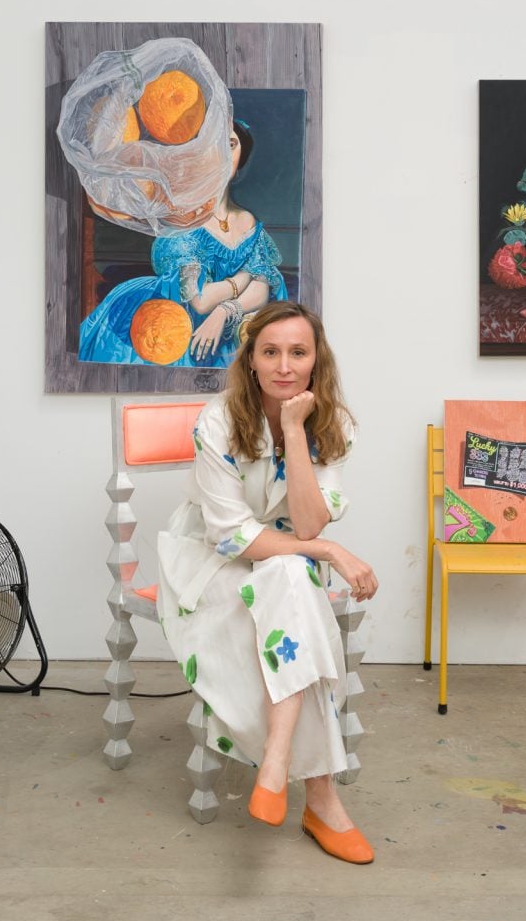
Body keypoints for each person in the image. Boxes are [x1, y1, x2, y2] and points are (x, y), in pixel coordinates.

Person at [157, 300, 379, 864]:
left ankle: (277, 764)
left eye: (298, 352)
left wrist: (295, 431)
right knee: (297, 584)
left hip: (285, 561)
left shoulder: (334, 423)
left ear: (315, 360)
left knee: (288, 575)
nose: (284, 365)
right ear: (251, 359)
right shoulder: (218, 419)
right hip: (212, 562)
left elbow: (304, 521)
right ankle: (322, 800)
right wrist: (328, 549)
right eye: (270, 351)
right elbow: (232, 537)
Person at [78, 121, 288, 366]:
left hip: (226, 326)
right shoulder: (182, 219)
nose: (222, 154)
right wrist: (244, 278)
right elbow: (200, 301)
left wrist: (224, 311)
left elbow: (262, 289)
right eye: (214, 144)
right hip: (169, 323)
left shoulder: (246, 220)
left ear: (241, 157)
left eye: (231, 144)